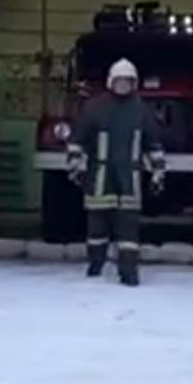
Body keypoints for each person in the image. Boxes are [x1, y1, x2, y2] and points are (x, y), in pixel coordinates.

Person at [67, 57, 164, 287]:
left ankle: (128, 272)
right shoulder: (94, 108)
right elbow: (78, 139)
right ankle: (95, 266)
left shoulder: (141, 110)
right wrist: (75, 166)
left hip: (129, 180)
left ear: (134, 83)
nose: (123, 85)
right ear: (111, 81)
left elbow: (153, 144)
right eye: (120, 81)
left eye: (128, 81)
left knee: (128, 231)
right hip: (100, 178)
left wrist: (159, 171)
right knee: (97, 228)